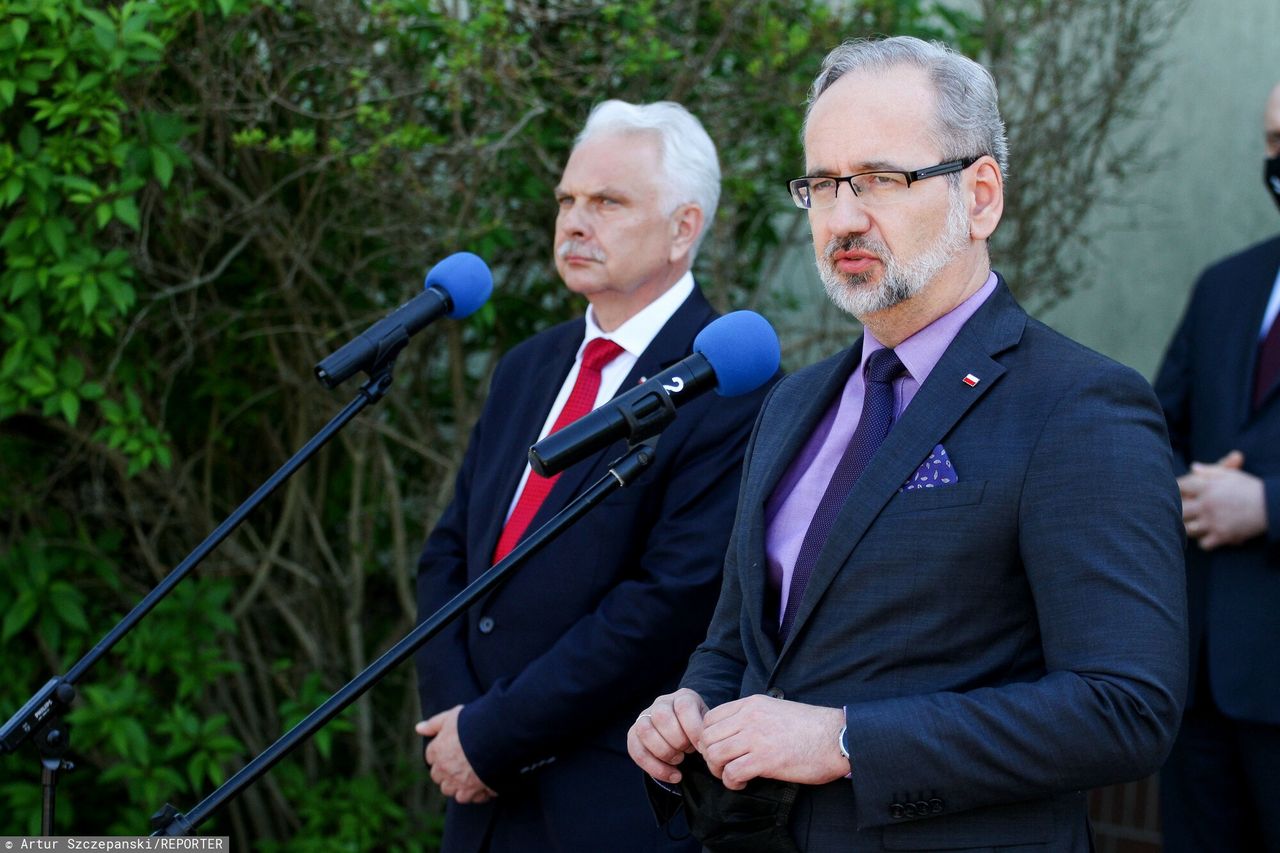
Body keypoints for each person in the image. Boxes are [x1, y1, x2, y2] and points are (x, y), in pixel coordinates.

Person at [628, 36, 1187, 851]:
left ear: (982, 196)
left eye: (883, 179)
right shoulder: (791, 404)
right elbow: (739, 644)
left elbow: (1124, 707)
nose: (844, 216)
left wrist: (845, 740)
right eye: (822, 185)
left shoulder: (1078, 406)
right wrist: (690, 707)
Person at [412, 100, 774, 853]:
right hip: (475, 793)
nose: (575, 220)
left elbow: (665, 604)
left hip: (601, 804)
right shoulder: (527, 367)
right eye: (567, 200)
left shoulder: (726, 389)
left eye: (607, 201)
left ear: (684, 228)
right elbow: (451, 552)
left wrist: (494, 734)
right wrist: (458, 720)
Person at [1154, 81, 1280, 853]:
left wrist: (1268, 503)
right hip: (1198, 682)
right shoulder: (1226, 285)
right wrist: (1181, 489)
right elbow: (1157, 426)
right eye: (1273, 142)